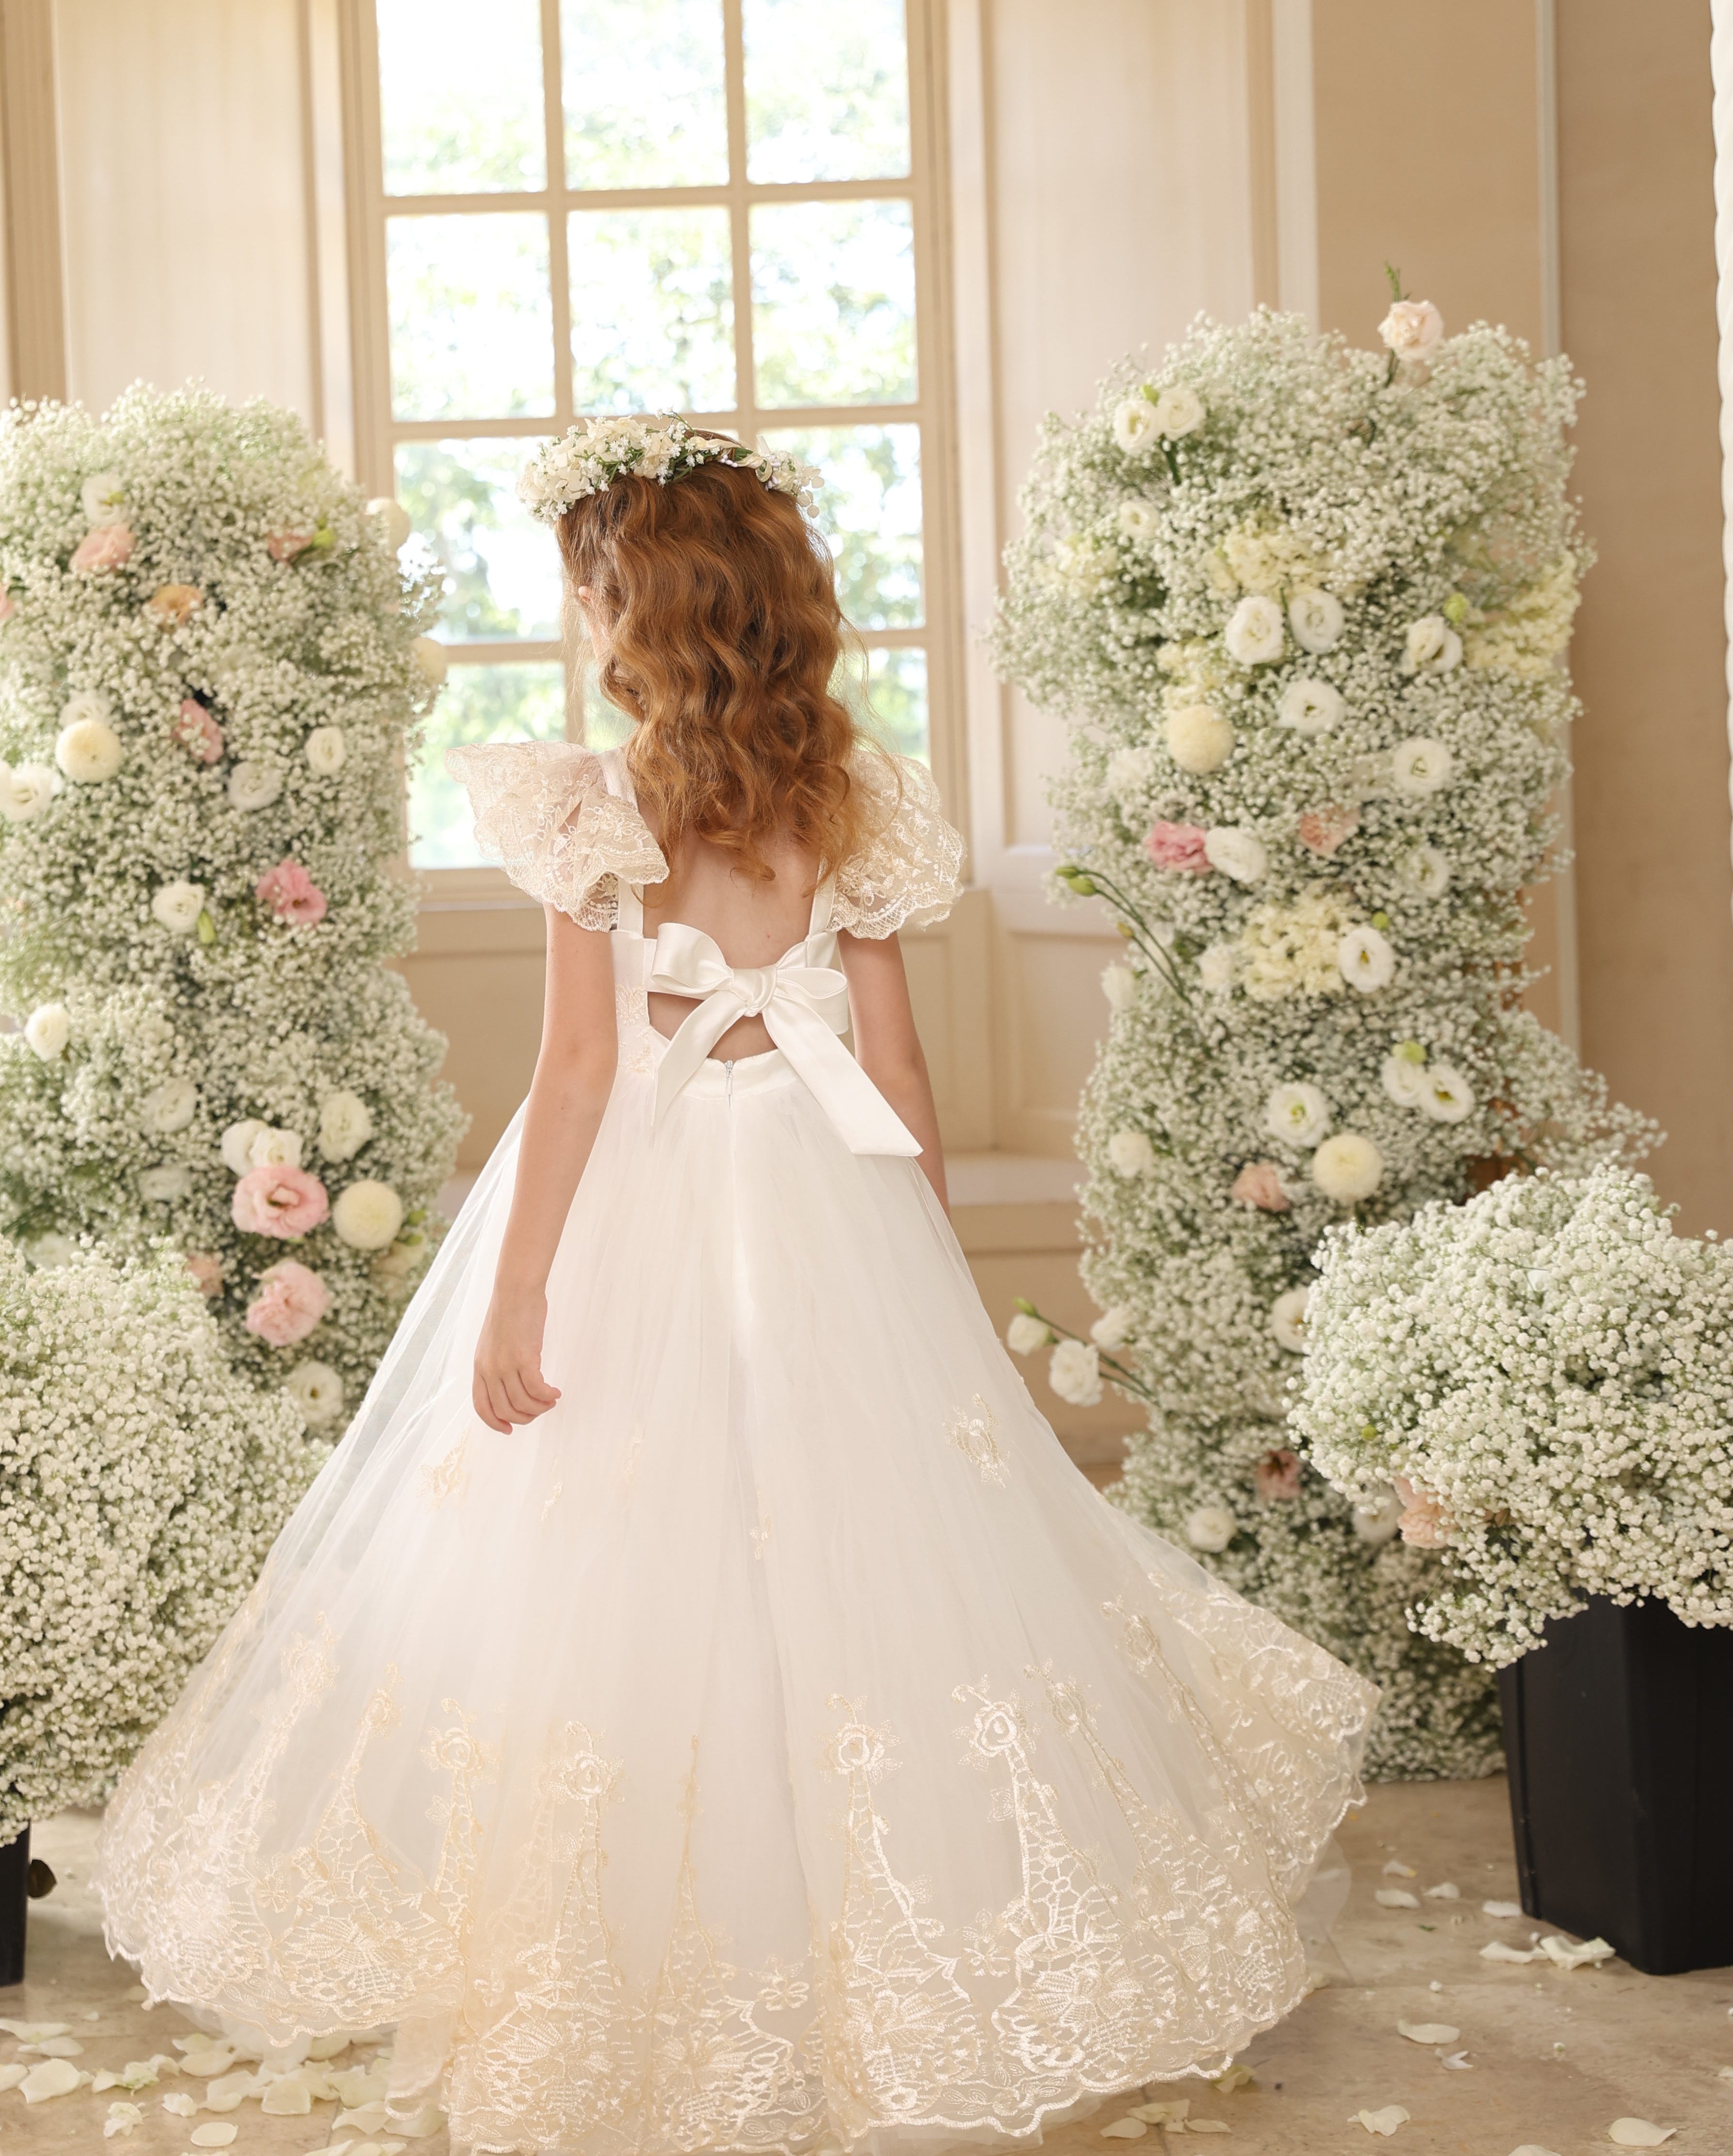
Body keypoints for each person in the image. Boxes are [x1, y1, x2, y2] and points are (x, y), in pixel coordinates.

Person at [100, 417, 1375, 2156]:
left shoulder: (591, 806)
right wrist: (918, 1264)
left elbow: (572, 1077)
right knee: (869, 1562)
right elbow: (902, 1070)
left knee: (633, 1562)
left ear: (639, 613)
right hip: (824, 1193)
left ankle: (659, 1969)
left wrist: (518, 1290)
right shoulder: (851, 793)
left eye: (587, 590)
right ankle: (893, 1954)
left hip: (654, 1189)